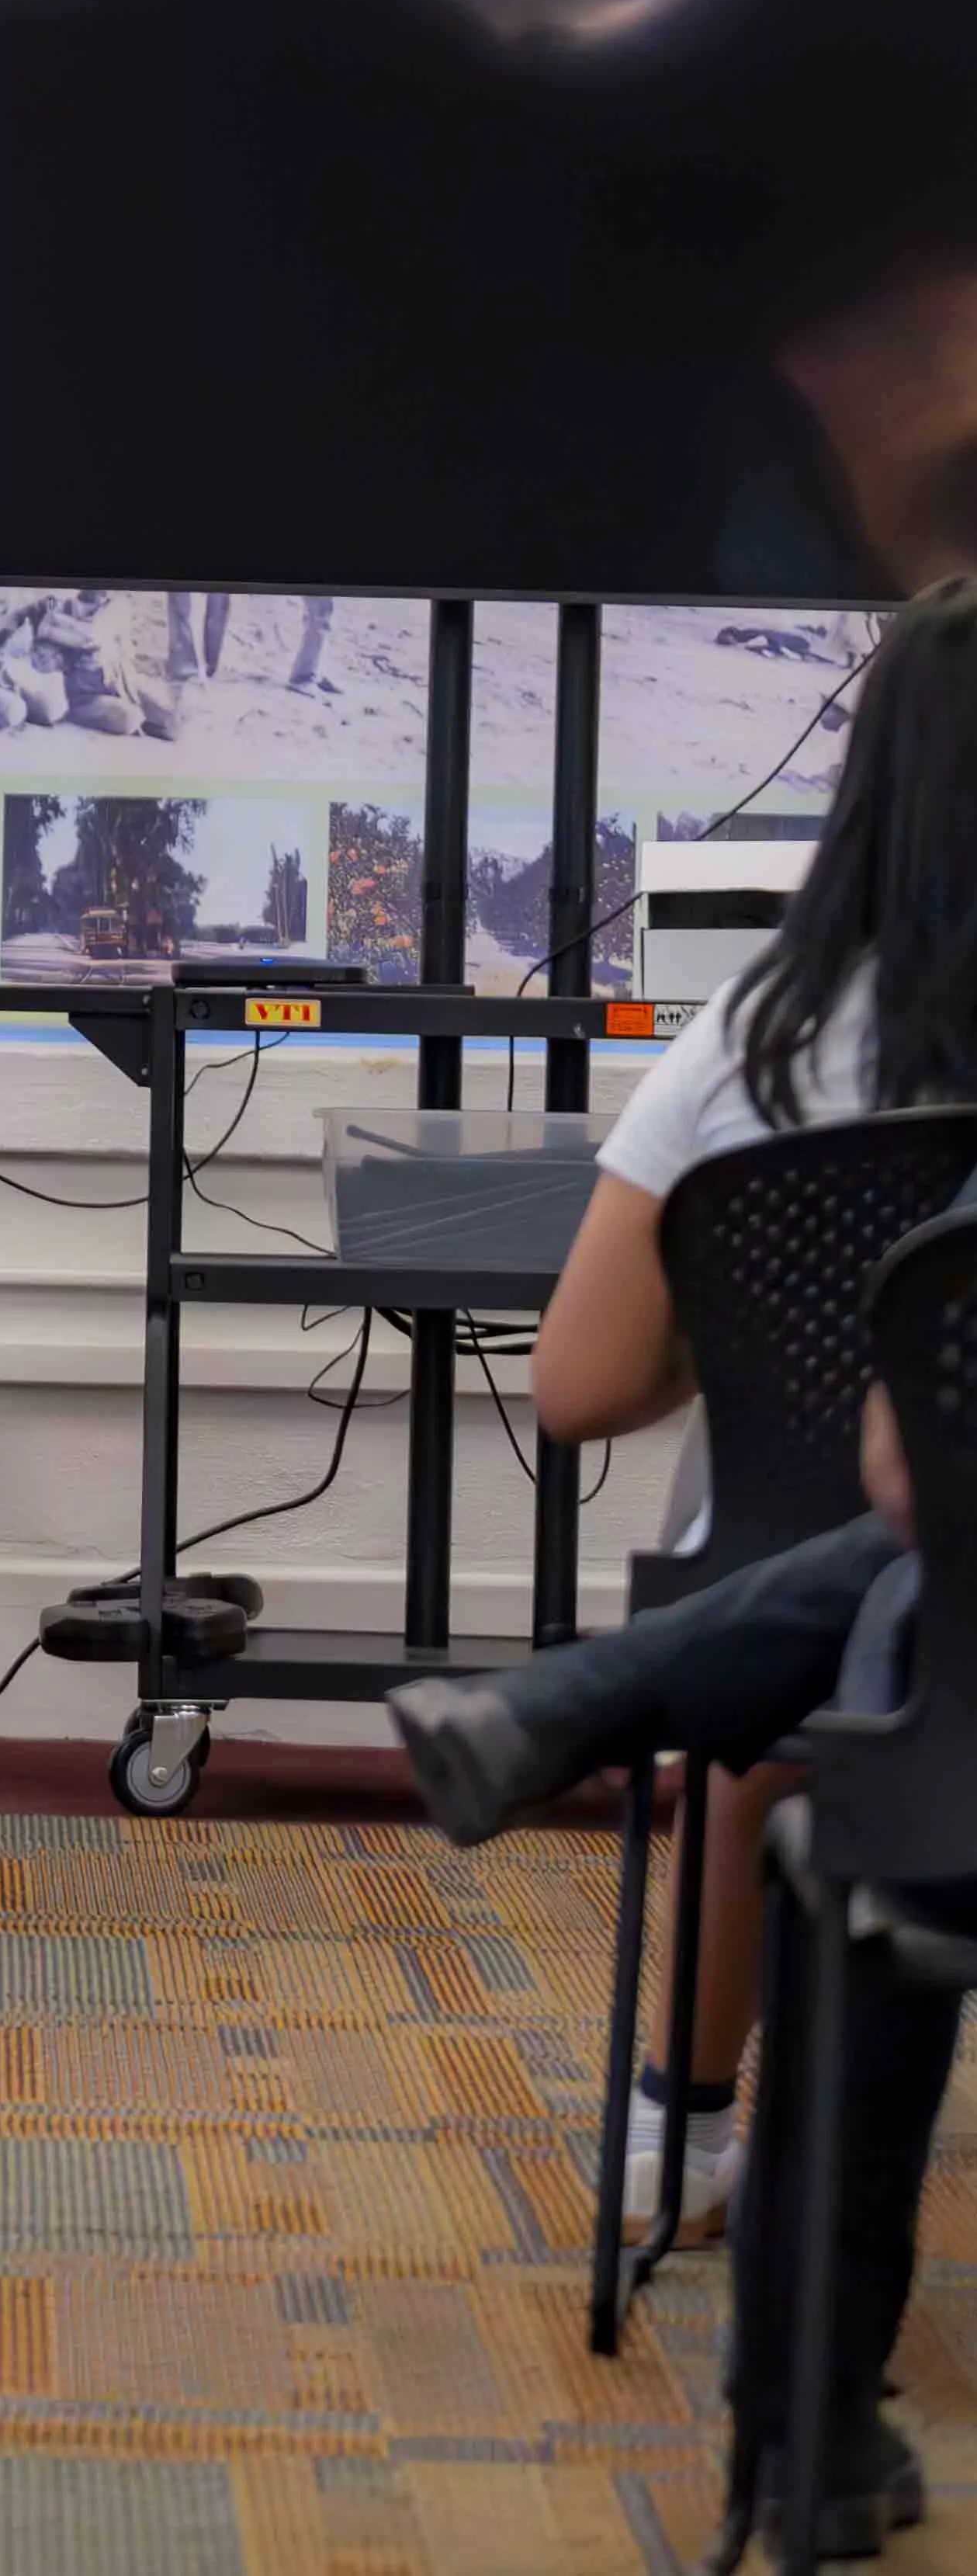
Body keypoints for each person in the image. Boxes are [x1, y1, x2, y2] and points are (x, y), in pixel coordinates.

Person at [387, 583, 977, 2562]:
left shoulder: (761, 1034)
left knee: (820, 1668)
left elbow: (574, 1387)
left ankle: (679, 2108)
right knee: (895, 1623)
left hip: (832, 1669)